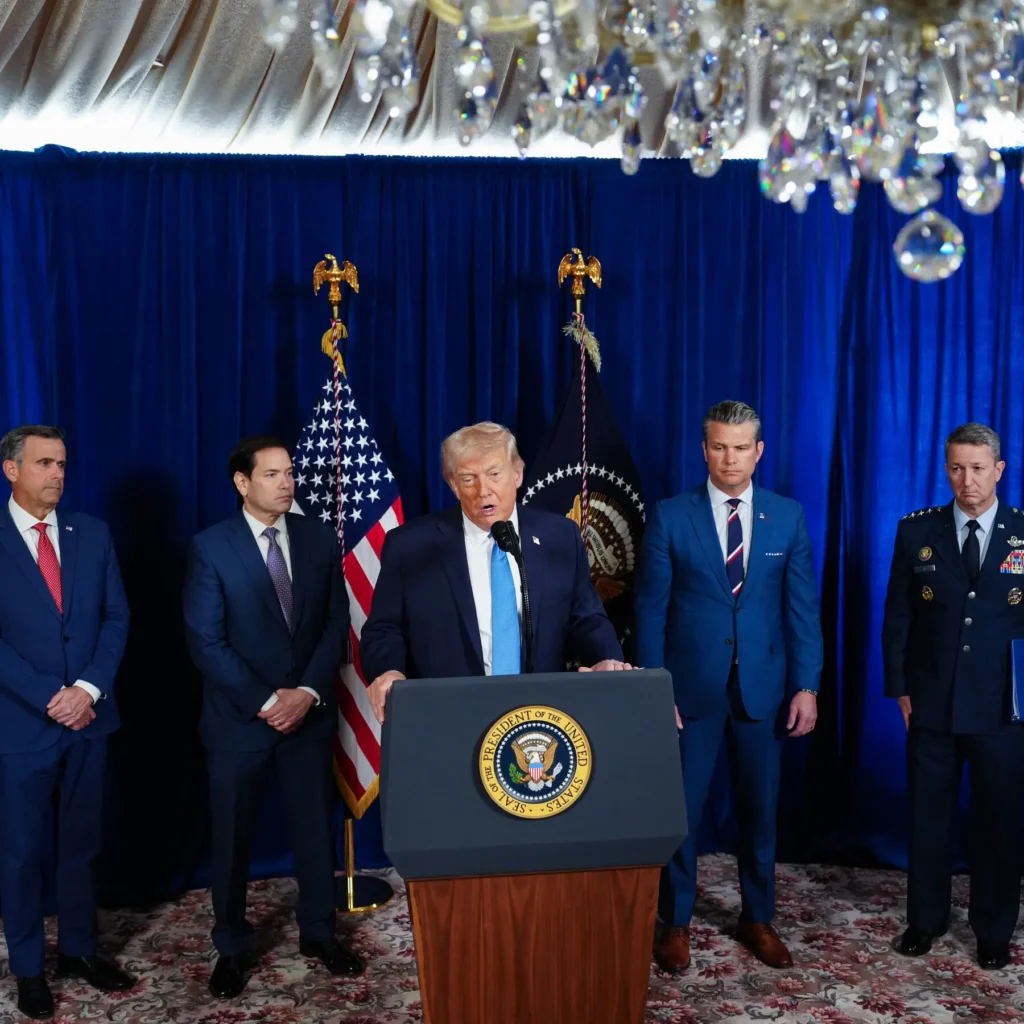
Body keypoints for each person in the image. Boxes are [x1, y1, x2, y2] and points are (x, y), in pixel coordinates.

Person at [634, 400, 822, 974]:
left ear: (758, 451)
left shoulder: (786, 516)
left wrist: (807, 686)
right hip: (689, 691)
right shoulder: (671, 515)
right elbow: (649, 612)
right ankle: (676, 922)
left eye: (741, 448)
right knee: (681, 812)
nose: (730, 458)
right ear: (704, 449)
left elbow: (802, 609)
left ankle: (757, 918)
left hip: (763, 690)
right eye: (719, 446)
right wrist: (654, 689)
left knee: (760, 811)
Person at [183, 436, 364, 1000]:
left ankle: (319, 932)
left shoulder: (317, 537)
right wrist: (268, 702)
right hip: (239, 721)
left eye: (289, 473)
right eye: (272, 475)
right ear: (242, 483)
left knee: (314, 829)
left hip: (308, 714)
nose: (287, 483)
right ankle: (232, 946)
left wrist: (305, 692)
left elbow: (335, 621)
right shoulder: (211, 547)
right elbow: (206, 641)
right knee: (232, 837)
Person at [361, 421, 628, 722]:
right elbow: (383, 629)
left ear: (517, 474)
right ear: (453, 485)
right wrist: (389, 670)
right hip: (446, 716)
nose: (483, 490)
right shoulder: (410, 546)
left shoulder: (560, 537)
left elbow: (586, 616)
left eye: (494, 474)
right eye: (468, 479)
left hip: (540, 717)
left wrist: (606, 658)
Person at [0, 425, 134, 1020]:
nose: (57, 474)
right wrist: (50, 695)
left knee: (82, 845)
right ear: (11, 470)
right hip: (20, 725)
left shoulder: (92, 533)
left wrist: (87, 689)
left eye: (61, 463)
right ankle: (29, 968)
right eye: (44, 463)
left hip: (89, 718)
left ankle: (80, 950)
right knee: (21, 853)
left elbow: (116, 617)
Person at [882, 422, 1024, 970]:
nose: (968, 480)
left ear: (999, 470)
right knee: (928, 817)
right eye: (957, 468)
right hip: (933, 703)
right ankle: (925, 920)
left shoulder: (1021, 533)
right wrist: (899, 687)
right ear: (946, 470)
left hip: (1003, 709)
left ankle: (993, 930)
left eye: (978, 468)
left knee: (998, 824)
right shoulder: (916, 531)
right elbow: (898, 615)